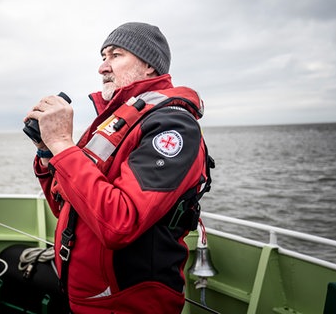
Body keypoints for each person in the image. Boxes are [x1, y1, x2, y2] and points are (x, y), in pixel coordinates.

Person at [25, 22, 212, 313]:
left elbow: (119, 224)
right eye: (103, 56)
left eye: (116, 55)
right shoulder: (111, 124)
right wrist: (48, 152)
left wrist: (63, 143)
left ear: (149, 64)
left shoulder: (173, 126)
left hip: (128, 302)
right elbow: (70, 207)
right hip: (87, 297)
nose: (102, 67)